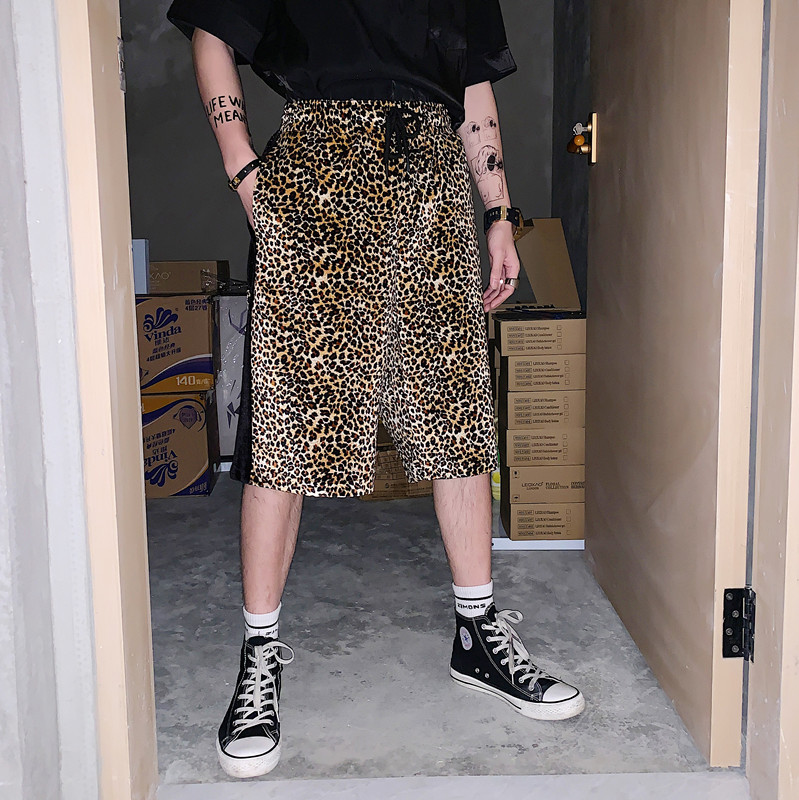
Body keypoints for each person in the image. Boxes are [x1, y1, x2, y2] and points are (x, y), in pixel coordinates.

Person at [167, 0, 585, 779]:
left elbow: (472, 84)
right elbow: (213, 30)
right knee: (290, 422)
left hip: (432, 181)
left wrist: (499, 210)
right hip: (318, 175)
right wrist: (243, 167)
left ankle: (477, 635)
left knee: (455, 413)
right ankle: (259, 652)